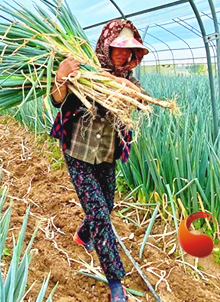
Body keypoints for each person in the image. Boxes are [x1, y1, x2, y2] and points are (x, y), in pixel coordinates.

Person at [49, 19, 148, 302]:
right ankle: (116, 281)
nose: (122, 54)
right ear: (107, 44)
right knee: (101, 216)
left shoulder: (129, 81)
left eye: (128, 50)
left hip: (106, 155)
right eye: (118, 47)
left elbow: (139, 98)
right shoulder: (84, 71)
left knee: (106, 205)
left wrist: (123, 88)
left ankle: (83, 235)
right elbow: (57, 101)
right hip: (78, 152)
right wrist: (61, 76)